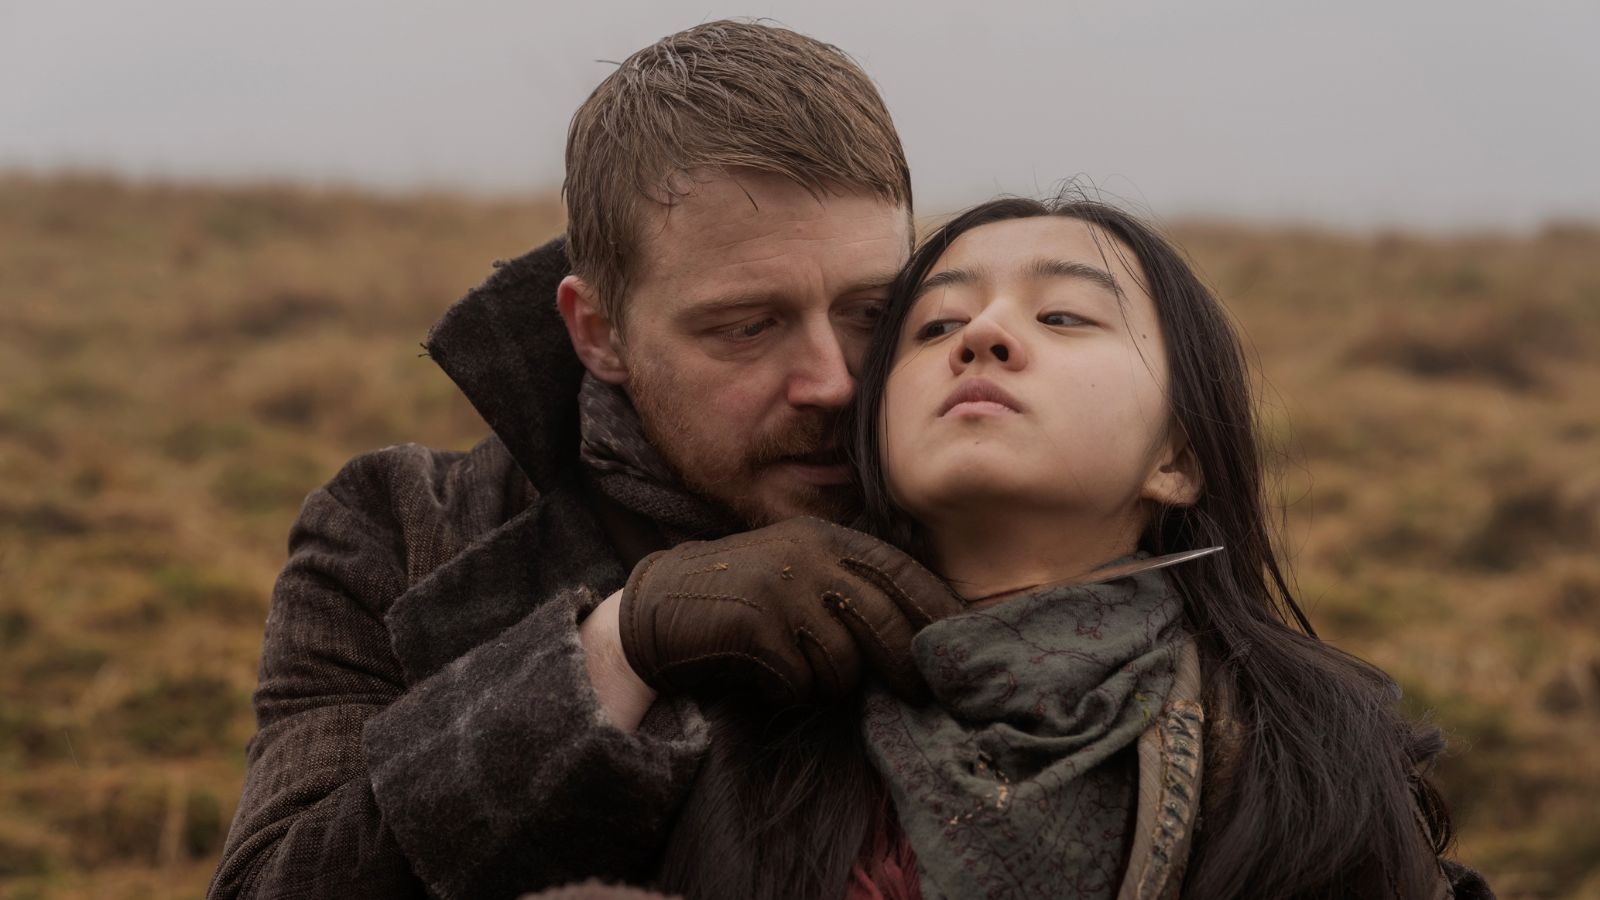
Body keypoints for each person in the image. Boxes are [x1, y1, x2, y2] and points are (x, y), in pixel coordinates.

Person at [209, 20, 965, 899]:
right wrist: (618, 647)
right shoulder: (399, 529)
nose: (832, 384)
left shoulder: (1022, 505)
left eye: (870, 312)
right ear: (598, 332)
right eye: (747, 326)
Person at [619, 196, 1495, 899]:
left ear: (1177, 457)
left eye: (1066, 315)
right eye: (932, 327)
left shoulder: (1302, 756)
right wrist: (622, 639)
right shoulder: (747, 704)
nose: (982, 335)